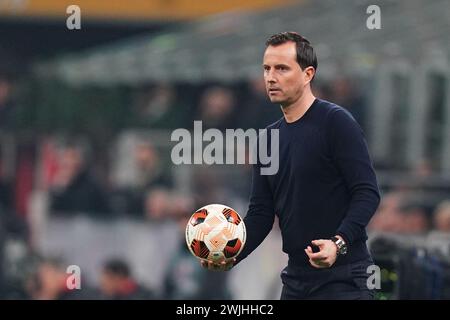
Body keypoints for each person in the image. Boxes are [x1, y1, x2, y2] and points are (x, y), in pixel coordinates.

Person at [202, 32, 381, 300]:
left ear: (308, 74)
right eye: (267, 69)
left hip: (346, 277)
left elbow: (367, 193)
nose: (271, 77)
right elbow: (261, 214)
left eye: (282, 68)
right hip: (296, 280)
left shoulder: (336, 122)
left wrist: (338, 243)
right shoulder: (266, 139)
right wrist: (231, 252)